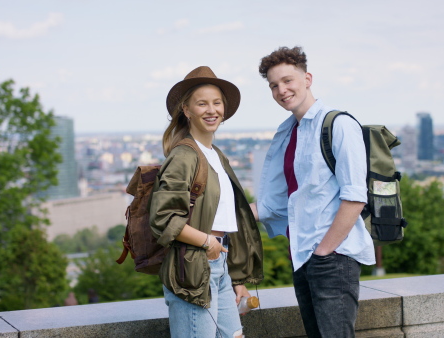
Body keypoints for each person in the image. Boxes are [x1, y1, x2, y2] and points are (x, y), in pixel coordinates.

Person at [251, 46, 375, 337]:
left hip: (332, 258)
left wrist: (324, 251)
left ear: (307, 79)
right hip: (302, 256)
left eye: (287, 80)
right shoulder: (289, 132)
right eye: (273, 85)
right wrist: (221, 215)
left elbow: (355, 197)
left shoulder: (338, 124)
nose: (281, 90)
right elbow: (279, 204)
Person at [150, 66, 264, 338]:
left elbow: (226, 218)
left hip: (218, 264)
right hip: (192, 267)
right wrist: (207, 242)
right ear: (186, 110)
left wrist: (236, 279)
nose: (211, 110)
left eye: (217, 103)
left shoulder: (216, 155)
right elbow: (163, 220)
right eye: (202, 103)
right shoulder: (184, 156)